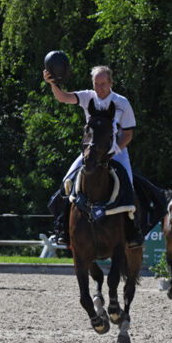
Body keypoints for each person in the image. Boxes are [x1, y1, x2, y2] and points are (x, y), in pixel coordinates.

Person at [43, 65, 144, 248]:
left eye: (103, 83)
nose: (99, 87)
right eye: (96, 83)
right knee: (67, 182)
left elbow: (128, 134)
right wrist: (53, 84)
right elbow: (63, 97)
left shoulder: (122, 102)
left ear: (111, 82)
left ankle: (134, 232)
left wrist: (113, 151)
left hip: (115, 151)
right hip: (91, 152)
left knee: (128, 185)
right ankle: (63, 229)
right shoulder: (88, 96)